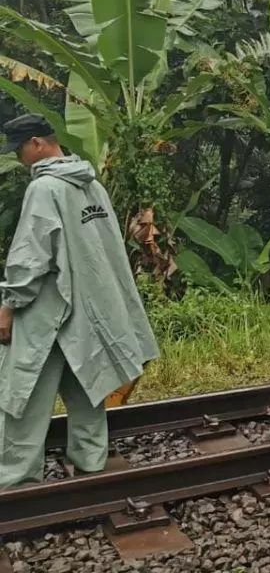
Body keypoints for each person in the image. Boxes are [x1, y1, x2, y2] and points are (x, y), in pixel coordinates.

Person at [0, 114, 159, 487]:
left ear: (37, 143)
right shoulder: (91, 185)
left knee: (24, 394)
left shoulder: (45, 189)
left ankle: (16, 481)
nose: (20, 158)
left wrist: (8, 305)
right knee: (88, 387)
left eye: (21, 149)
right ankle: (91, 465)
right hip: (90, 311)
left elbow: (30, 258)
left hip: (49, 310)